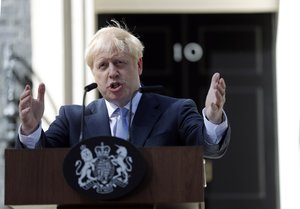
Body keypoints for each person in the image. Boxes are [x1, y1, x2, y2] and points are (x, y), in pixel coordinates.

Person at [16, 20, 230, 159]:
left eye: (119, 63)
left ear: (138, 66)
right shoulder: (72, 119)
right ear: (93, 74)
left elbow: (208, 149)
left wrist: (212, 117)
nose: (112, 73)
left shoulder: (176, 111)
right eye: (102, 65)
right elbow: (38, 163)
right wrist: (31, 130)